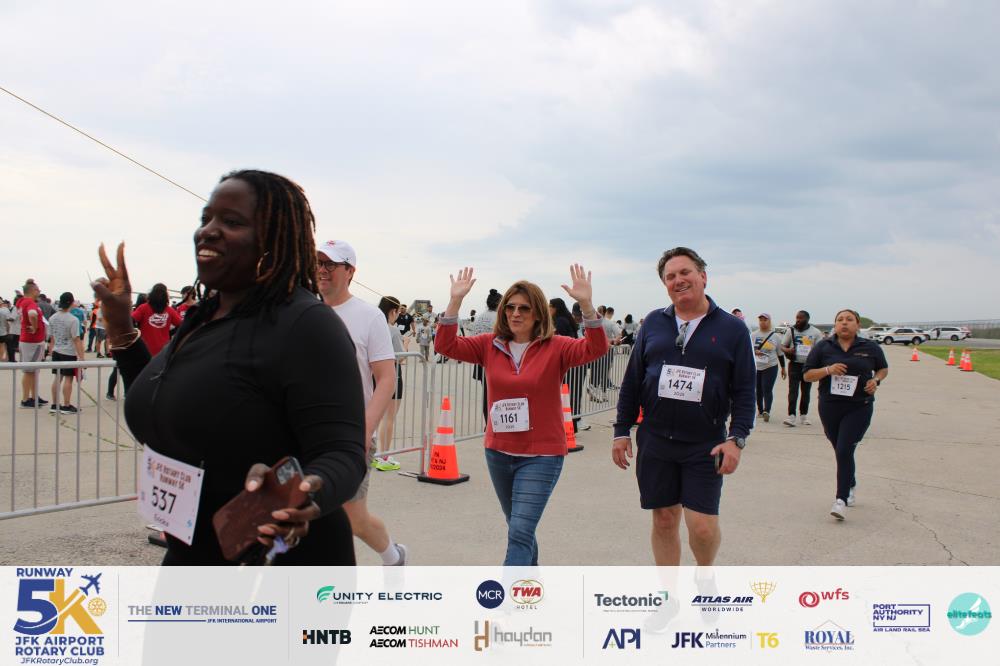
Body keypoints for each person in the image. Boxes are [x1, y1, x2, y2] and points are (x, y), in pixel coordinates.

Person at [95, 169, 366, 565]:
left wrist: (306, 493)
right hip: (193, 554)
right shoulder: (203, 317)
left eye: (232, 221)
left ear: (272, 240)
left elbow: (343, 452)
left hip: (281, 565)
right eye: (206, 219)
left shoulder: (307, 325)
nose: (208, 231)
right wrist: (121, 327)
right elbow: (163, 407)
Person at [435, 265, 608, 565]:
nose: (515, 313)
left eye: (524, 308)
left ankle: (510, 592)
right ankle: (531, 582)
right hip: (499, 453)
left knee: (519, 531)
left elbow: (596, 349)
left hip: (542, 455)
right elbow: (445, 345)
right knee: (518, 527)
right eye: (510, 307)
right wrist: (455, 301)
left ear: (538, 313)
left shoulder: (556, 347)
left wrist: (587, 305)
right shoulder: (489, 345)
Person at [612, 247, 755, 566]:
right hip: (656, 440)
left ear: (703, 277)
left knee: (702, 527)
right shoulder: (653, 322)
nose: (678, 280)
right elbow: (633, 380)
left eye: (685, 272)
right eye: (670, 276)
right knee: (664, 519)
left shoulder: (732, 329)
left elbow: (745, 390)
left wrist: (737, 438)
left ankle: (705, 575)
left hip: (705, 443)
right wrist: (621, 431)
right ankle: (669, 591)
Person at [316, 239, 407, 566]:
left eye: (331, 264)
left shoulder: (369, 316)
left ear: (350, 271)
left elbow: (386, 378)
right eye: (318, 263)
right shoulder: (305, 312)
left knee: (352, 518)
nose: (322, 270)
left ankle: (393, 556)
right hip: (309, 433)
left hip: (351, 434)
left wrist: (365, 430)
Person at [803, 309, 889, 521]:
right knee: (840, 449)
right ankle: (850, 482)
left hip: (859, 406)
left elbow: (883, 369)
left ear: (857, 325)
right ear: (835, 325)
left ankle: (840, 500)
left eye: (849, 320)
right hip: (830, 406)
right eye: (840, 320)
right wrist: (828, 370)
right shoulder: (824, 347)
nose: (844, 323)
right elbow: (807, 375)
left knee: (844, 449)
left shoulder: (870, 347)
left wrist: (875, 381)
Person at [781, 310, 824, 427]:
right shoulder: (791, 330)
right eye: (797, 318)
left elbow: (820, 349)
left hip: (808, 366)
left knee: (806, 392)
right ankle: (791, 416)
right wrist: (788, 350)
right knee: (793, 391)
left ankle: (804, 415)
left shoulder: (815, 332)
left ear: (807, 319)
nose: (798, 320)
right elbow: (782, 346)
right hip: (794, 364)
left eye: (801, 318)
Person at [376, 296, 405, 471]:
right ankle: (384, 456)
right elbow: (401, 357)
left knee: (377, 416)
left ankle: (375, 454)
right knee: (389, 418)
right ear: (393, 311)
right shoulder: (392, 330)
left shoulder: (373, 326)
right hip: (392, 375)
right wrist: (406, 343)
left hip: (374, 375)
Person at [549, 297, 585, 434]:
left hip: (569, 363)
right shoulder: (567, 319)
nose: (548, 309)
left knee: (566, 395)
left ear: (555, 308)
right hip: (575, 362)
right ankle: (573, 424)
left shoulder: (560, 321)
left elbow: (560, 341)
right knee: (573, 394)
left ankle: (569, 425)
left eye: (550, 306)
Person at [46, 292, 86, 414]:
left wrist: (50, 352)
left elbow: (52, 338)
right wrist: (82, 357)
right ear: (71, 303)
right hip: (68, 352)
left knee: (57, 378)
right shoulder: (73, 320)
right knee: (68, 379)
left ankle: (54, 404)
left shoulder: (52, 318)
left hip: (56, 350)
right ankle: (66, 405)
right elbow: (76, 339)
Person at [470, 288, 501, 424]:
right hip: (496, 360)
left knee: (486, 393)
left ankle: (488, 422)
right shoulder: (499, 318)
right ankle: (495, 422)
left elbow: (473, 337)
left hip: (481, 360)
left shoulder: (479, 318)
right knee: (498, 394)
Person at [18, 279, 48, 408]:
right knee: (29, 371)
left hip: (32, 341)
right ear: (32, 291)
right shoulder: (29, 302)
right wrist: (35, 327)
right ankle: (25, 399)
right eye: (37, 289)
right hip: (32, 342)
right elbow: (32, 314)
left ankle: (34, 396)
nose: (39, 291)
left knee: (34, 370)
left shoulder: (23, 302)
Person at [750, 313, 786, 422]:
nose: (762, 322)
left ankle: (767, 411)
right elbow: (747, 350)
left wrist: (783, 368)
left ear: (769, 321)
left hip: (770, 365)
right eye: (760, 320)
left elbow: (780, 353)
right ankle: (760, 410)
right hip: (757, 366)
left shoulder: (775, 336)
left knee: (767, 388)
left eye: (765, 320)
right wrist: (754, 352)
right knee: (758, 389)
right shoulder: (753, 335)